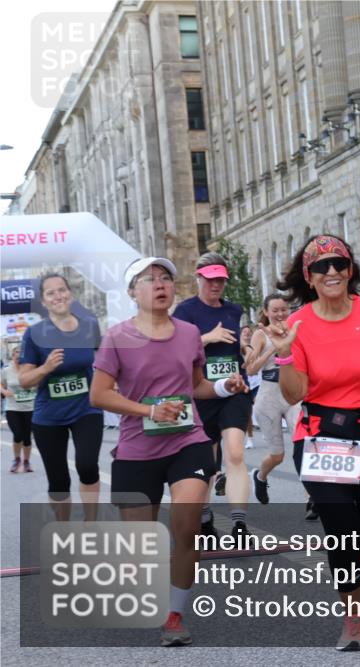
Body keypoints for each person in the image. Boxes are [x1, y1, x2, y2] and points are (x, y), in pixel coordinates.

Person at [90, 257, 245, 647]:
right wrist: (149, 411)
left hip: (186, 441)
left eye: (166, 278)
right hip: (136, 448)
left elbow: (196, 386)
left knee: (187, 527)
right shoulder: (117, 337)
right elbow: (99, 395)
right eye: (149, 279)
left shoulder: (190, 333)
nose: (160, 284)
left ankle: (174, 616)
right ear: (133, 292)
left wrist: (224, 387)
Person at [263, 234, 360, 651]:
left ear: (350, 270)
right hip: (320, 433)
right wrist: (284, 355)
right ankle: (354, 617)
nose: (331, 272)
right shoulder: (298, 324)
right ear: (308, 277)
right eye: (320, 266)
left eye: (338, 264)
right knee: (341, 530)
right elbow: (294, 394)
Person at [172, 253, 252, 538]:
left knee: (235, 452)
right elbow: (175, 351)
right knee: (206, 462)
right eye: (210, 280)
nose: (216, 285)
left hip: (233, 390)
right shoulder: (185, 311)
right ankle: (205, 520)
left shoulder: (233, 310)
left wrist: (246, 352)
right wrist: (206, 338)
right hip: (201, 392)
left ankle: (239, 524)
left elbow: (235, 349)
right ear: (198, 278)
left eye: (221, 280)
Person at [17, 273, 103, 521]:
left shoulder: (89, 326)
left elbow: (105, 360)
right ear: (43, 301)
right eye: (51, 293)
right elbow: (24, 380)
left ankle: (90, 524)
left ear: (71, 294)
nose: (58, 296)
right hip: (49, 416)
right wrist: (45, 368)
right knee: (58, 480)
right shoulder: (34, 333)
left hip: (86, 409)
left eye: (62, 290)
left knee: (87, 466)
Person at [245, 293, 302, 505]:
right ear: (266, 312)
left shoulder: (295, 330)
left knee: (304, 446)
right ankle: (260, 476)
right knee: (277, 455)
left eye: (283, 309)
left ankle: (312, 498)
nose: (280, 314)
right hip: (269, 394)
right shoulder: (260, 335)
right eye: (275, 310)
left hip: (294, 393)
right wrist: (272, 350)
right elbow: (251, 370)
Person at [2, 345, 35, 473]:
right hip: (12, 408)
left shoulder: (31, 369)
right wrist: (4, 391)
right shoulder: (6, 370)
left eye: (22, 352)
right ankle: (16, 459)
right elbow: (1, 383)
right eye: (16, 352)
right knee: (18, 434)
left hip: (30, 408)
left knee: (27, 437)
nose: (19, 354)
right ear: (12, 355)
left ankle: (26, 461)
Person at [241, 324, 261, 450]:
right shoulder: (238, 348)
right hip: (245, 382)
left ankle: (266, 428)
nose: (247, 334)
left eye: (249, 332)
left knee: (259, 407)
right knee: (248, 412)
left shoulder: (257, 346)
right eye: (244, 332)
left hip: (257, 382)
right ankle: (250, 438)